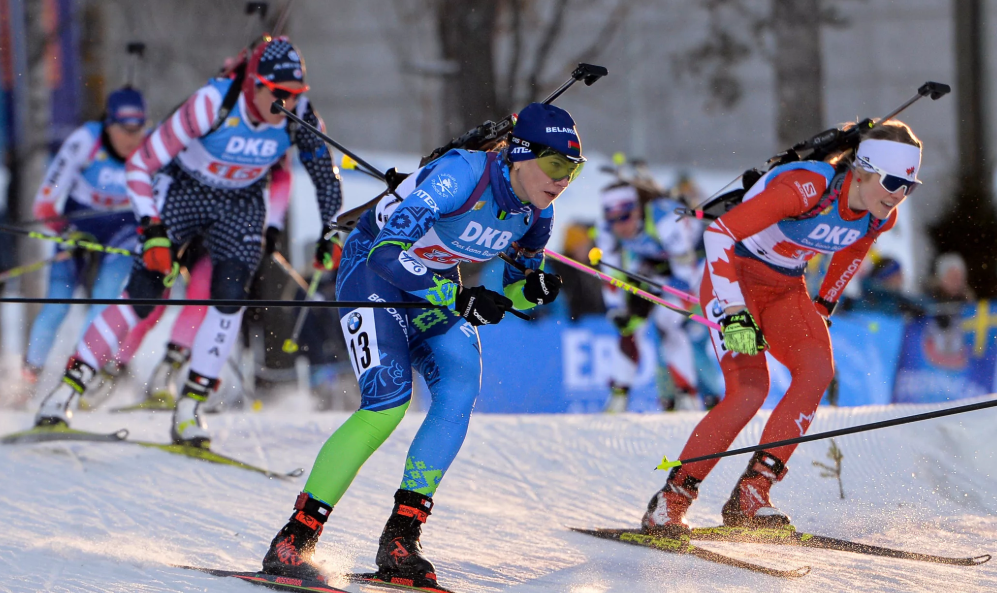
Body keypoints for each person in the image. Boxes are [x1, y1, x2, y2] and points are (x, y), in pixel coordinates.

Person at [258, 103, 582, 589]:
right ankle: (293, 540)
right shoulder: (460, 176)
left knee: (459, 385)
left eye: (573, 171)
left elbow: (510, 292)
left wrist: (527, 292)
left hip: (430, 283)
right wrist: (460, 296)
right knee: (387, 402)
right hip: (374, 270)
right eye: (556, 164)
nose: (562, 180)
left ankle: (401, 539)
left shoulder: (537, 216)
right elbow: (387, 253)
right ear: (520, 153)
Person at [33, 36, 343, 449]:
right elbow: (142, 163)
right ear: (255, 84)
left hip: (242, 201)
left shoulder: (297, 114)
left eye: (295, 94)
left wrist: (332, 230)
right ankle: (66, 391)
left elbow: (325, 177)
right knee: (143, 294)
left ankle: (189, 409)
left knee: (230, 295)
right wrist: (153, 229)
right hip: (184, 190)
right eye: (279, 93)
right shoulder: (210, 103)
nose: (285, 104)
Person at [641, 120, 922, 535]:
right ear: (862, 171)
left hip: (786, 285)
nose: (900, 194)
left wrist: (824, 304)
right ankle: (670, 501)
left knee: (817, 372)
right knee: (750, 390)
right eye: (895, 181)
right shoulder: (806, 188)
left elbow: (856, 246)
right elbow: (719, 234)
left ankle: (751, 495)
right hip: (732, 276)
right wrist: (735, 311)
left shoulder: (882, 215)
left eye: (909, 187)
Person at [82, 158, 294, 410]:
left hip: (224, 229)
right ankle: (108, 371)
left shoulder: (274, 134)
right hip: (182, 216)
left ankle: (165, 377)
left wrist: (272, 226)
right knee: (151, 301)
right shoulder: (200, 122)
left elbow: (282, 177)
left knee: (201, 296)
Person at [16, 87, 147, 402]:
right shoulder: (85, 141)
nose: (132, 138)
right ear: (108, 124)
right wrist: (66, 231)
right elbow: (44, 204)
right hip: (78, 228)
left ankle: (80, 376)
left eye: (138, 129)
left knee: (104, 303)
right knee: (57, 304)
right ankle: (27, 378)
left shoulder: (150, 147)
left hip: (123, 233)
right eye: (125, 130)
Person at [596, 180, 702, 413]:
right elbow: (611, 275)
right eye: (612, 219)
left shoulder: (665, 219)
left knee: (667, 322)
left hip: (695, 264)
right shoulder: (606, 230)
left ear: (636, 210)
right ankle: (618, 396)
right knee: (629, 326)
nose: (619, 226)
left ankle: (687, 396)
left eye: (624, 217)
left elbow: (686, 277)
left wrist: (659, 293)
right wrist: (616, 309)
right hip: (653, 266)